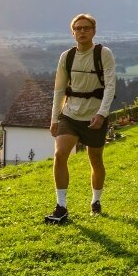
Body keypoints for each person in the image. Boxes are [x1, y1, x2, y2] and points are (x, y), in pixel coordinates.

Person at [45, 13, 115, 223]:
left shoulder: (103, 53)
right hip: (71, 115)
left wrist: (102, 114)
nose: (82, 32)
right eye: (78, 28)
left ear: (93, 31)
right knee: (60, 155)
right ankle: (61, 206)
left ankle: (95, 200)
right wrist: (55, 118)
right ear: (73, 32)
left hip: (94, 116)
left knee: (95, 160)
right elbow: (59, 89)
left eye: (86, 28)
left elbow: (110, 86)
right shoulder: (66, 57)